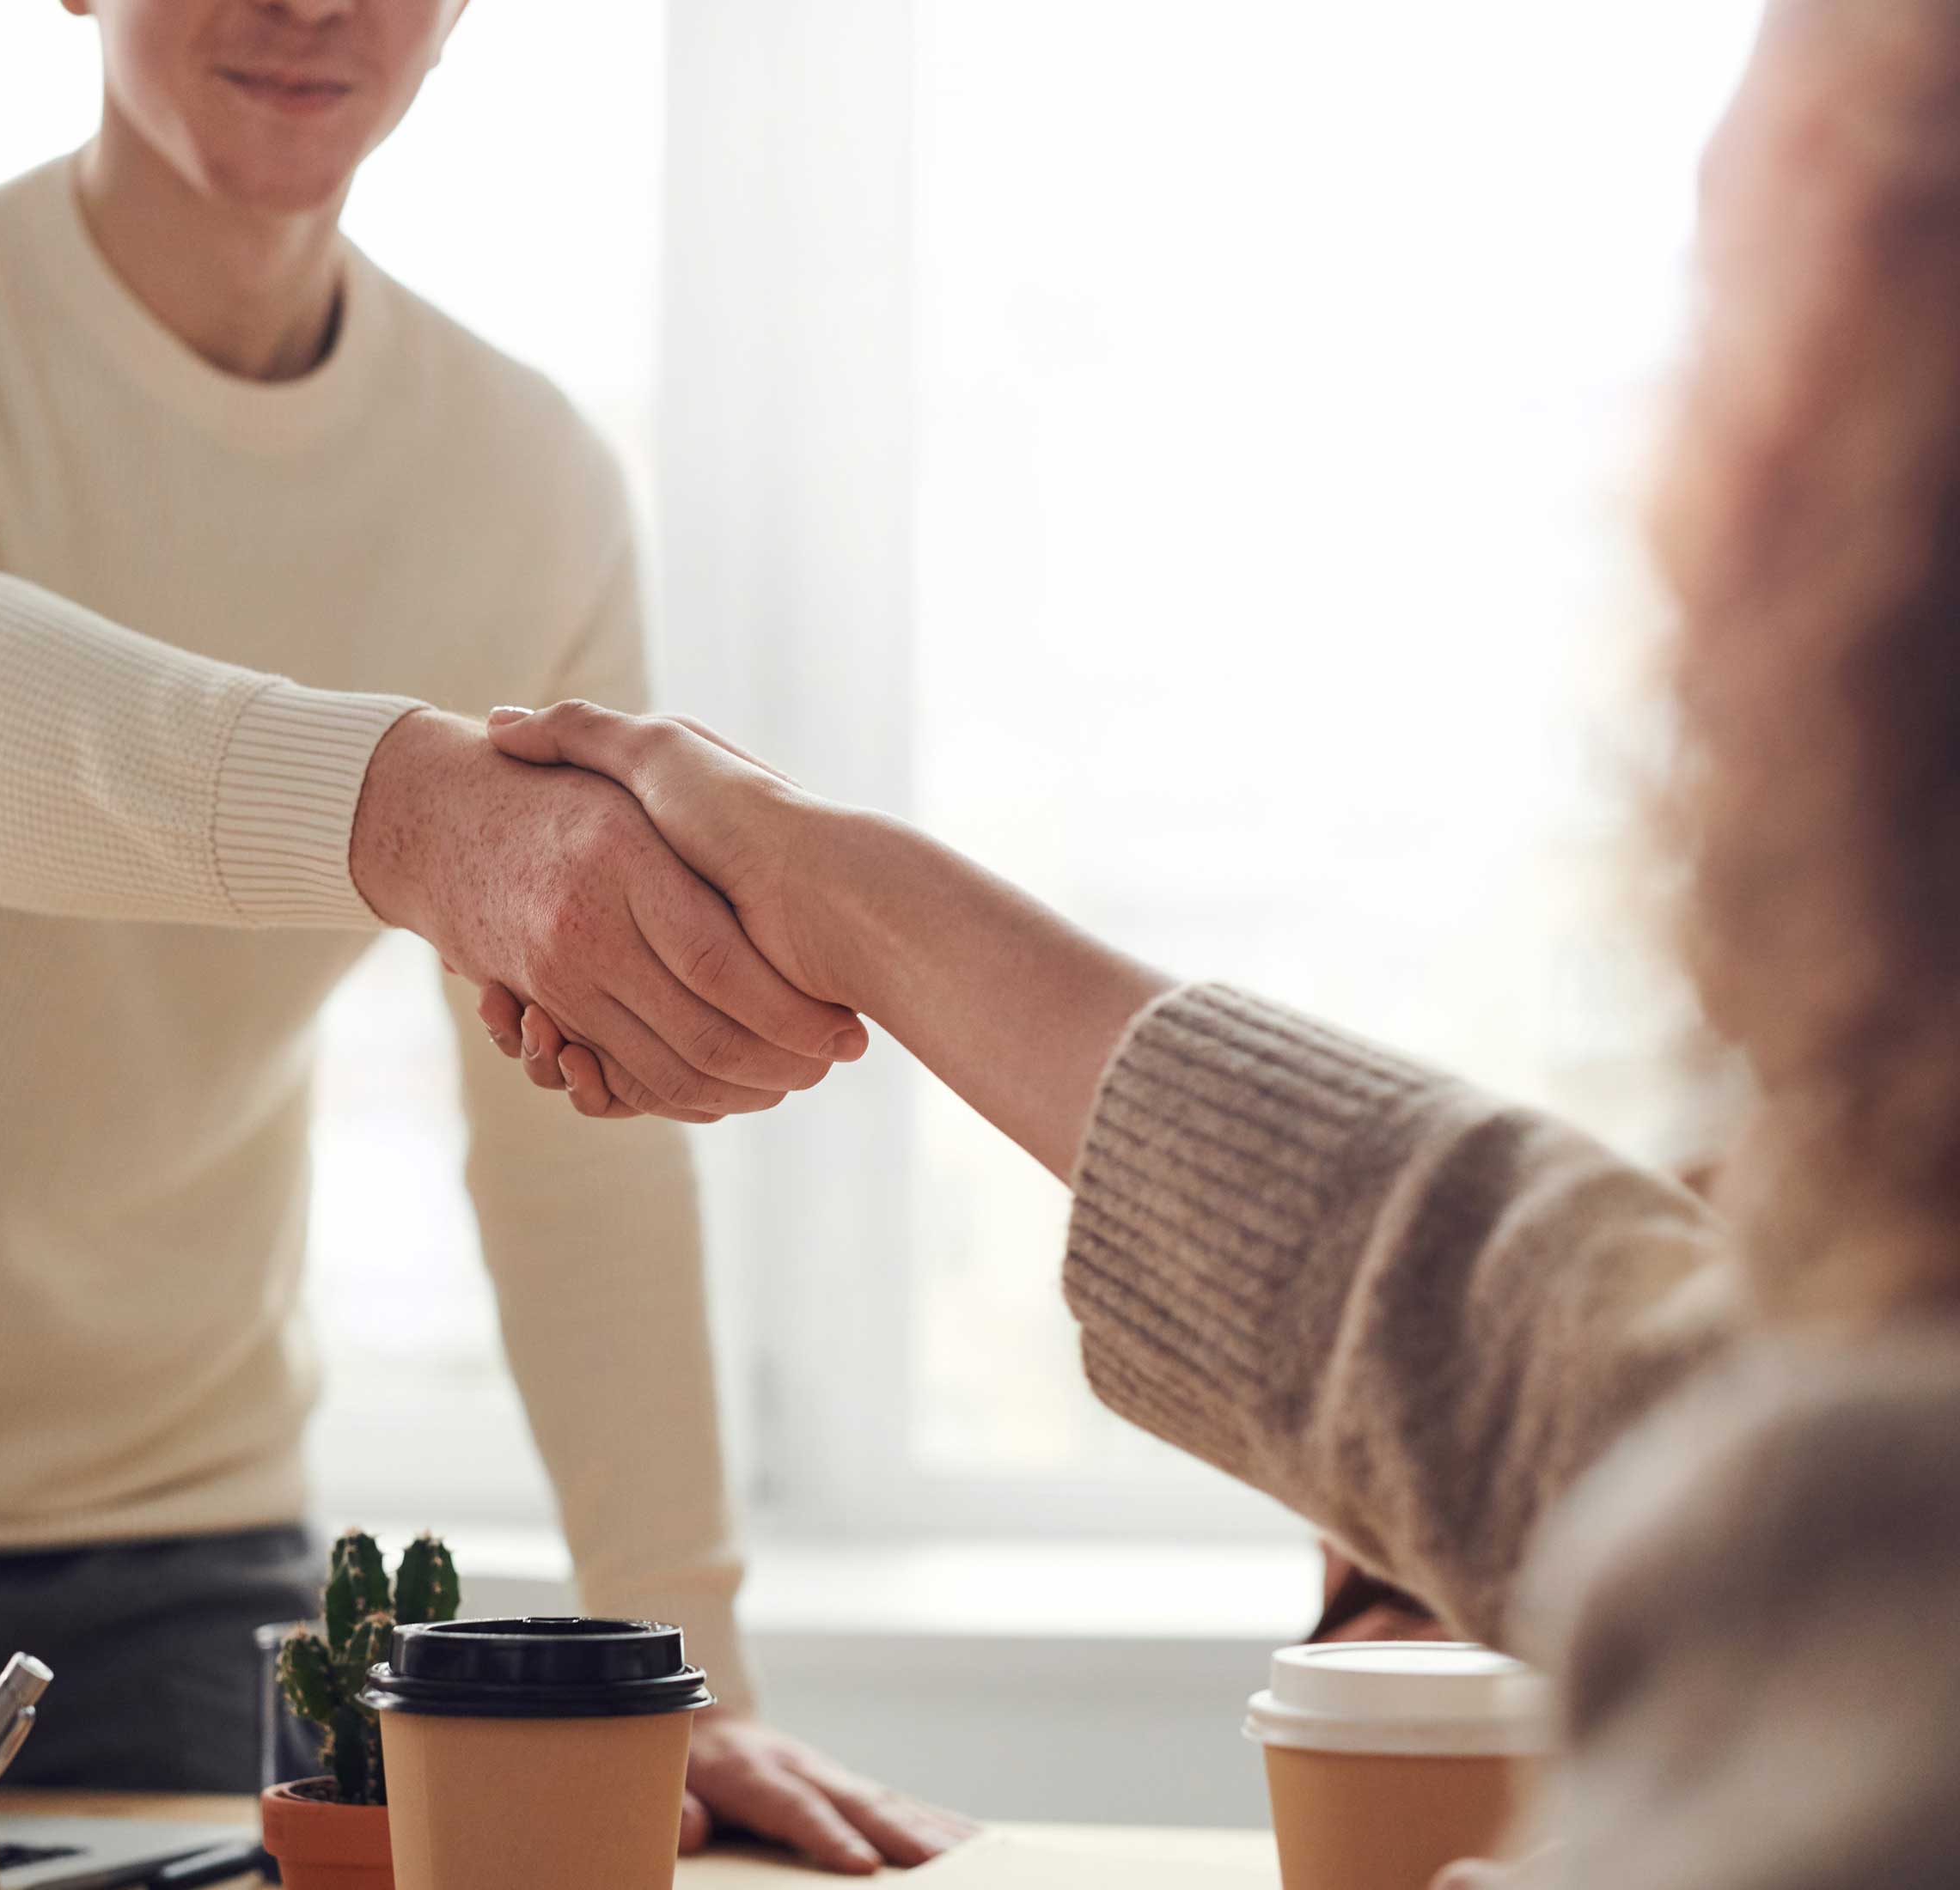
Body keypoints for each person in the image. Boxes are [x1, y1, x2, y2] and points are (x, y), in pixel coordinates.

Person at [478, 0, 1960, 1881]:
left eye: (1740, 337)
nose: (1665, 499)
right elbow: (1553, 1342)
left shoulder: (1870, 1607)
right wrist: (852, 897)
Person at [0, 0, 969, 1869]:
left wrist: (687, 1664)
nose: (311, 2)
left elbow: (576, 1135)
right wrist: (405, 814)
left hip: (176, 1548)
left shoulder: (521, 472)